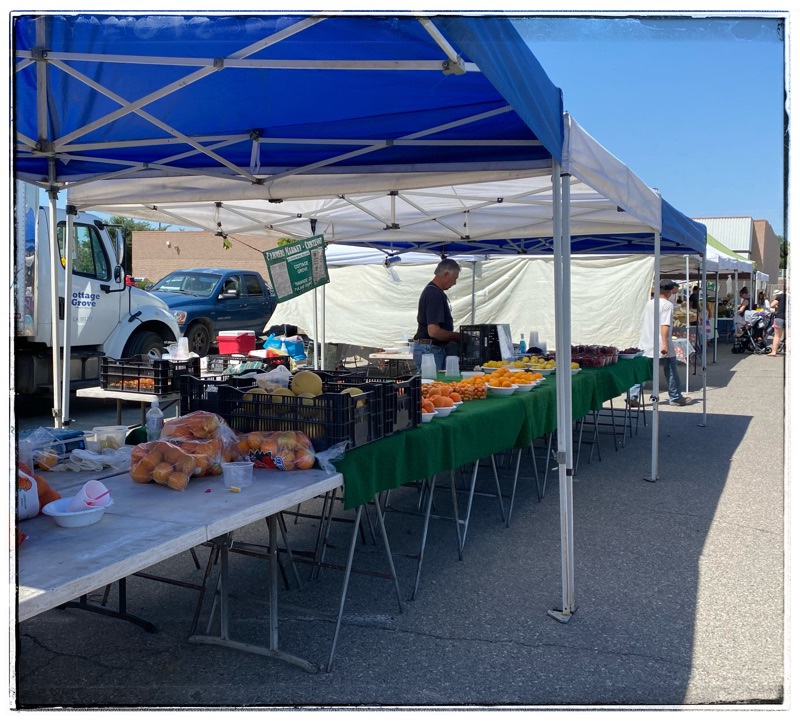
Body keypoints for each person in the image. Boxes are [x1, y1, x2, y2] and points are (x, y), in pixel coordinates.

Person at [638, 279, 691, 406]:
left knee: (643, 371)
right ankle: (675, 397)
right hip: (660, 342)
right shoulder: (667, 305)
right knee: (671, 370)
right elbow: (665, 325)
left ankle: (634, 396)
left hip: (646, 342)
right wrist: (665, 343)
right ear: (670, 291)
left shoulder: (650, 303)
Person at [412, 258, 462, 372]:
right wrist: (457, 336)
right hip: (430, 350)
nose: (454, 283)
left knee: (430, 385)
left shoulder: (434, 292)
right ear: (446, 274)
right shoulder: (434, 294)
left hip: (428, 349)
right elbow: (434, 331)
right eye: (454, 278)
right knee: (430, 386)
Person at [768, 288, 786, 356]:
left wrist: (778, 306)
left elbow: (772, 305)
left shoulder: (780, 296)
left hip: (780, 317)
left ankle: (774, 352)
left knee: (777, 336)